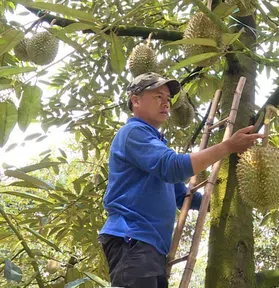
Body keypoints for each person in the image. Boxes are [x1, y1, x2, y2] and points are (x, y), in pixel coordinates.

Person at [98, 72, 263, 288]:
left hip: (152, 246)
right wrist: (227, 146)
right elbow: (173, 168)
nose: (166, 103)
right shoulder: (134, 132)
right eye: (158, 96)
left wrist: (222, 205)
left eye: (168, 98)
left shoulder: (156, 144)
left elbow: (181, 195)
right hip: (132, 238)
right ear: (135, 100)